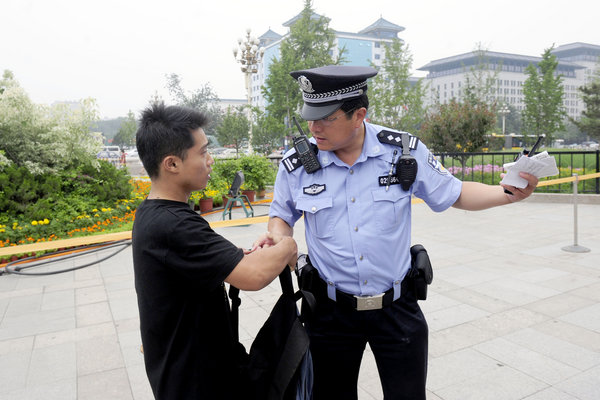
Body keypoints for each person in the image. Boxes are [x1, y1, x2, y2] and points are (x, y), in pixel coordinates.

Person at [256, 65, 538, 400]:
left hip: (396, 308)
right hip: (329, 313)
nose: (313, 127)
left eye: (326, 118)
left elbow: (454, 192)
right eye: (310, 117)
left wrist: (506, 193)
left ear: (358, 114)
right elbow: (282, 214)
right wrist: (278, 236)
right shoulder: (298, 164)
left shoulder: (403, 152)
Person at [132, 102, 297, 400]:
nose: (210, 160)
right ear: (172, 164)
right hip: (195, 384)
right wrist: (288, 245)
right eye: (203, 151)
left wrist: (242, 257)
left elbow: (208, 263)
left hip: (194, 373)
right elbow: (254, 276)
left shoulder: (155, 213)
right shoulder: (174, 225)